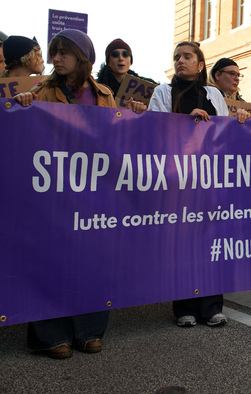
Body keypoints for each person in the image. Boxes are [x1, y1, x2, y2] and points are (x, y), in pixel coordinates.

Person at [13, 29, 144, 359]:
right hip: (53, 194)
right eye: (54, 53)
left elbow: (116, 140)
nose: (55, 58)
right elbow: (25, 137)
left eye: (63, 53)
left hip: (94, 193)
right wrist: (20, 107)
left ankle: (89, 331)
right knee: (50, 259)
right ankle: (50, 335)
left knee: (93, 259)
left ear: (82, 58)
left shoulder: (105, 95)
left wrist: (136, 118)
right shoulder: (40, 91)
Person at [148, 41, 229, 327]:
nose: (181, 61)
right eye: (176, 57)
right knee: (181, 244)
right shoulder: (162, 92)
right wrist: (185, 121)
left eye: (187, 56)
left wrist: (238, 120)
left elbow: (224, 131)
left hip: (208, 179)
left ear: (200, 63)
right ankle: (184, 307)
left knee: (210, 241)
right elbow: (155, 130)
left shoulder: (214, 94)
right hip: (177, 180)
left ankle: (211, 306)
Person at [208, 57, 249, 122]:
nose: (237, 79)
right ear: (217, 75)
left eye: (238, 75)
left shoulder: (241, 103)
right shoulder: (204, 96)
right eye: (233, 74)